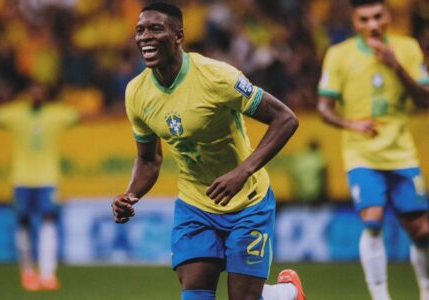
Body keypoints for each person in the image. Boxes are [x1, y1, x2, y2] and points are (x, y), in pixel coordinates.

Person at [111, 2, 305, 300]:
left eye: (155, 29)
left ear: (178, 36)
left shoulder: (217, 77)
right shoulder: (136, 93)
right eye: (140, 30)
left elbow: (285, 119)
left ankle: (286, 293)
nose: (144, 37)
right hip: (195, 206)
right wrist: (130, 195)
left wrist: (242, 172)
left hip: (247, 204)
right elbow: (149, 160)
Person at [317, 0, 429, 299]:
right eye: (364, 19)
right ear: (355, 22)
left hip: (401, 152)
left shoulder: (408, 48)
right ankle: (381, 297)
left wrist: (397, 66)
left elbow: (424, 100)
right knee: (373, 219)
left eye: (377, 17)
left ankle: (426, 290)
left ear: (388, 16)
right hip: (362, 154)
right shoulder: (339, 55)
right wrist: (349, 124)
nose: (372, 25)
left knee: (422, 231)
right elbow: (324, 108)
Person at [0, 82, 79, 291]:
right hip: (21, 178)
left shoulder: (55, 114)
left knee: (48, 222)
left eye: (40, 91)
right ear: (27, 94)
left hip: (47, 178)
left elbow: (76, 115)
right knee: (23, 223)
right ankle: (28, 272)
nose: (36, 95)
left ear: (46, 95)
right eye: (33, 91)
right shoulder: (16, 114)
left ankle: (48, 274)